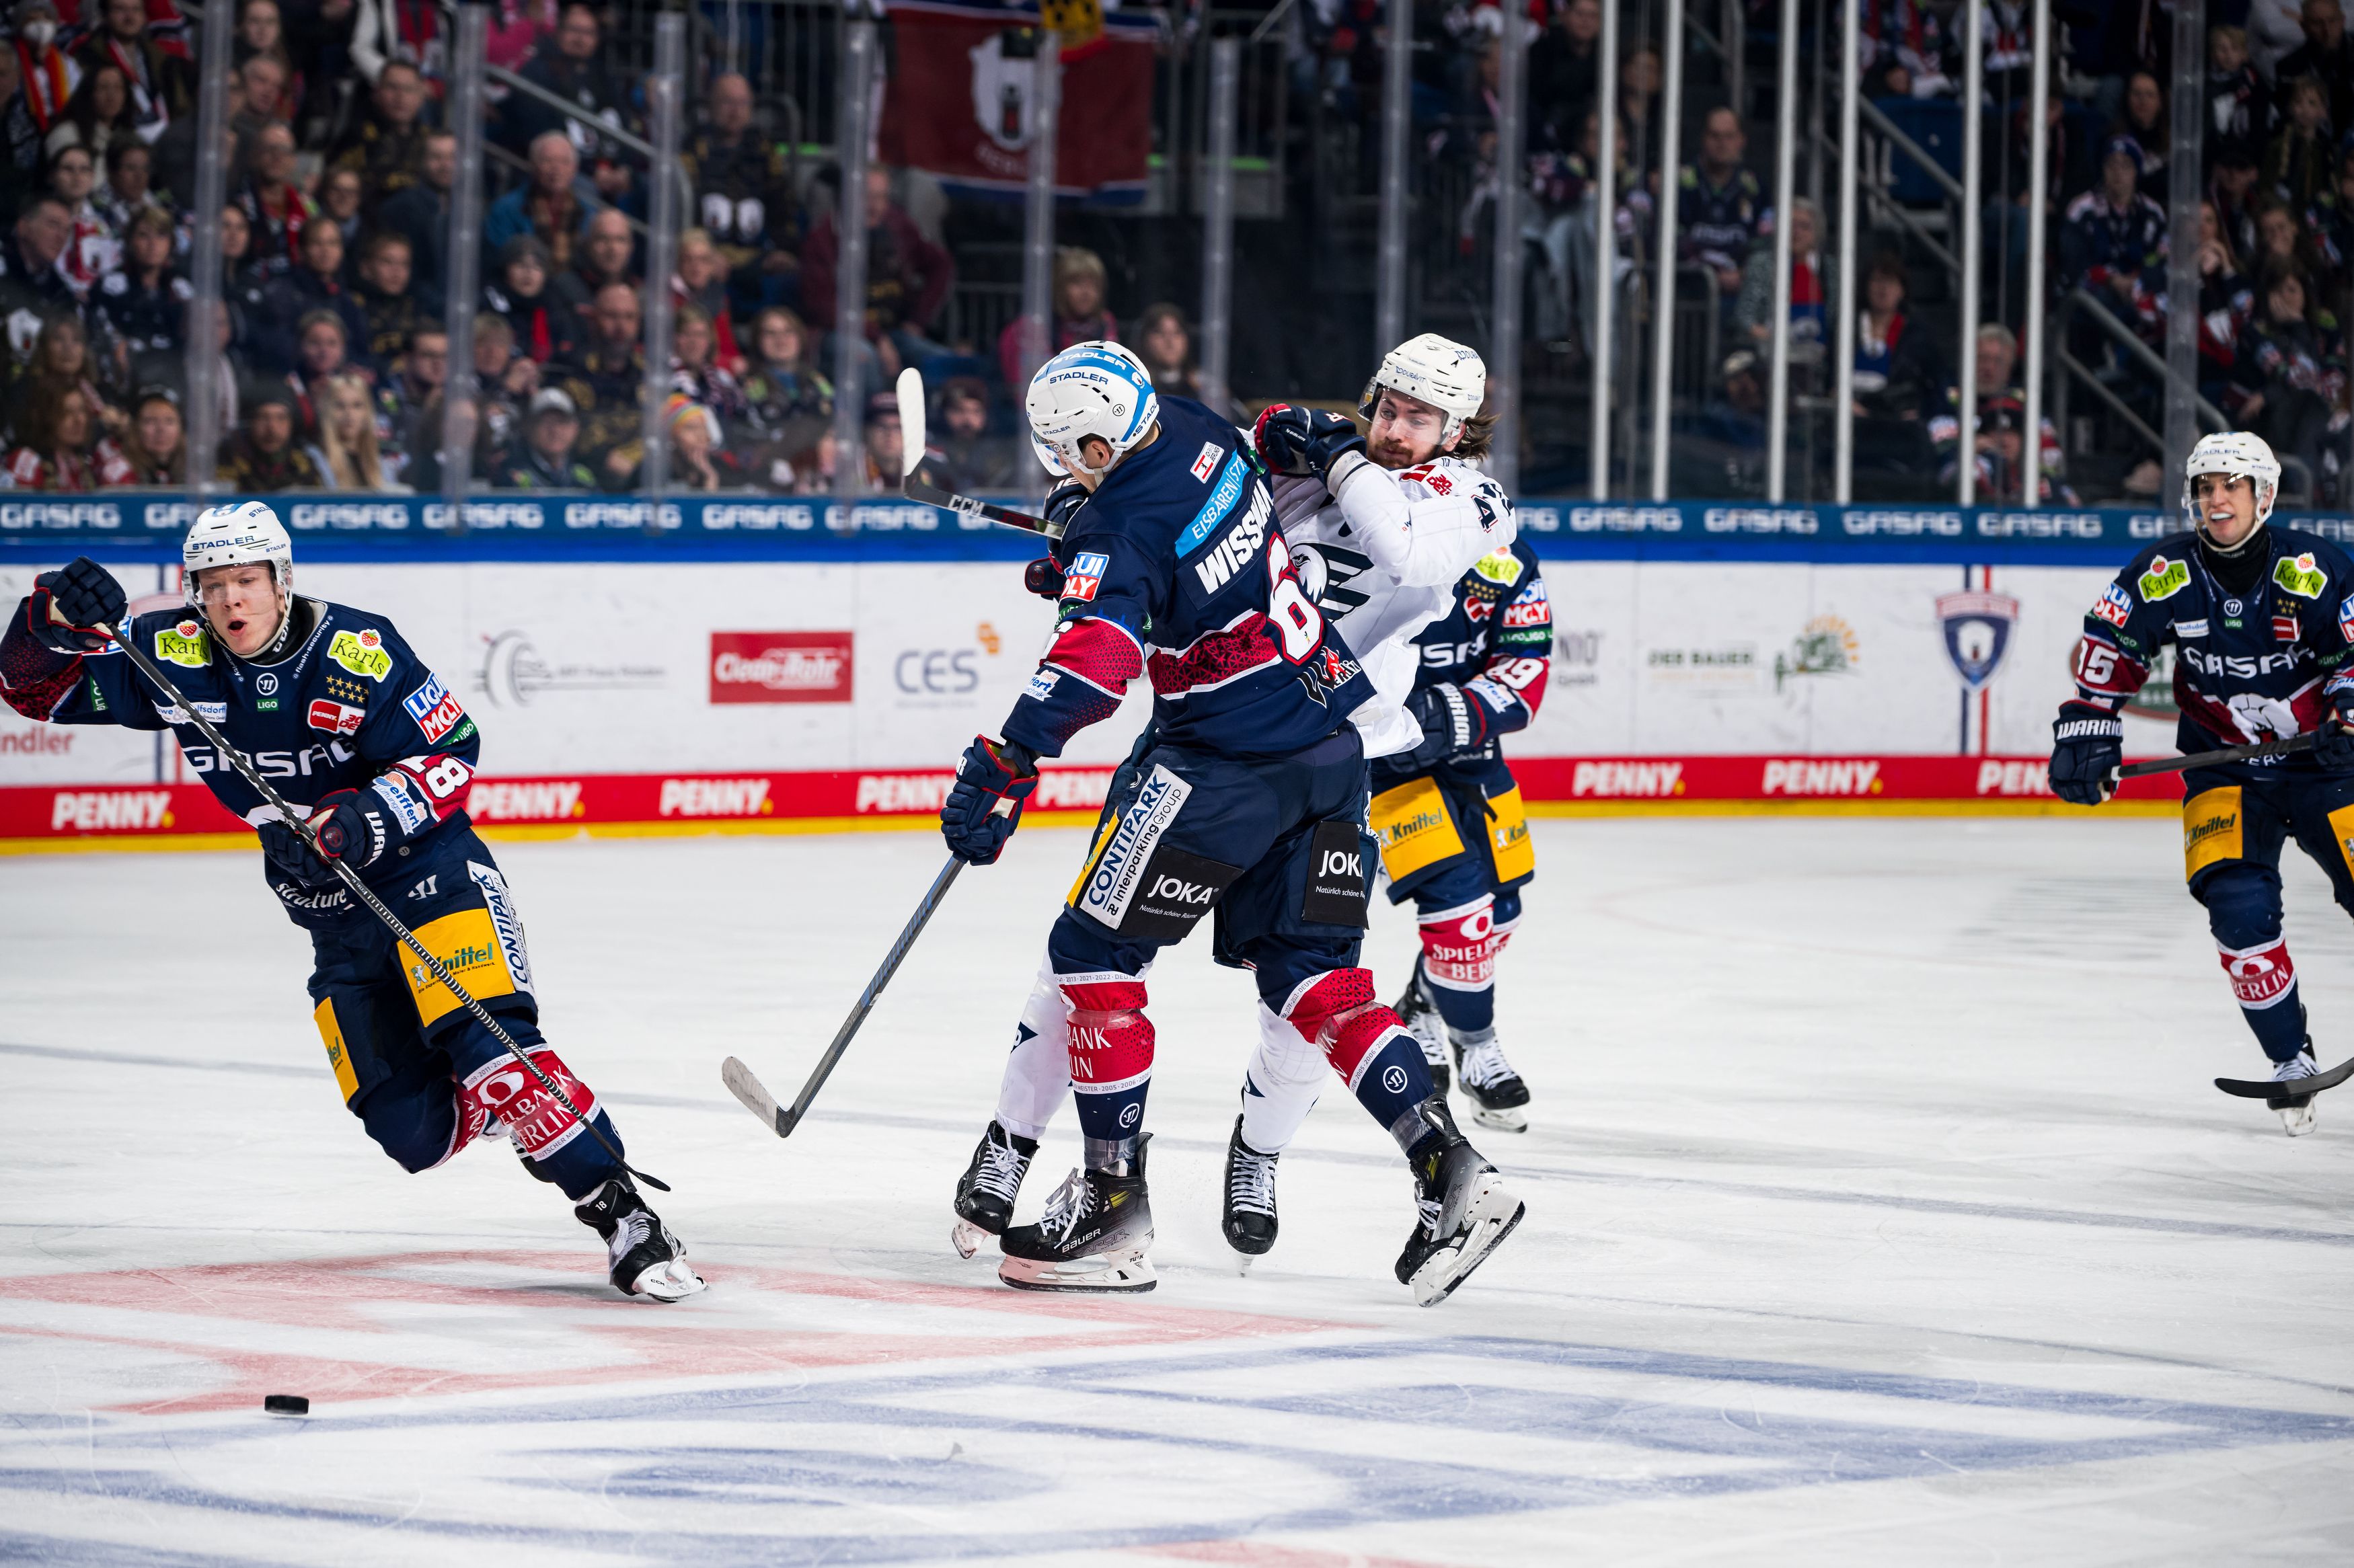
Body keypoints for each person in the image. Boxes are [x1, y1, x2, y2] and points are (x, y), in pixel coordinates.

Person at [939, 340, 1525, 1302]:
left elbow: (1092, 666)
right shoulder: (1201, 428)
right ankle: (1452, 1170)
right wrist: (1095, 555)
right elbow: (1199, 542)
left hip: (1220, 764)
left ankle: (1112, 1207)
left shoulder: (1132, 523)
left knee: (1089, 958)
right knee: (1321, 984)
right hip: (1333, 745)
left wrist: (1008, 759)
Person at [0, 508, 704, 1296]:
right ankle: (495, 1095)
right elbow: (29, 691)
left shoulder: (355, 650)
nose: (232, 601)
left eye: (247, 581)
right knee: (412, 1134)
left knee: (491, 1048)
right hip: (331, 919)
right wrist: (52, 618)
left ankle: (622, 1214)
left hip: (428, 877)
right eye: (214, 585)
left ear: (281, 579)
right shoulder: (170, 657)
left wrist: (361, 822)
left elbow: (452, 751)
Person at [1213, 335, 1533, 1257]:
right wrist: (1097, 506)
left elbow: (1402, 545)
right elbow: (1190, 502)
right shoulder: (1311, 473)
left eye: (1419, 419)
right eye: (1385, 408)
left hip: (1331, 766)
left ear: (1458, 430)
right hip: (1217, 751)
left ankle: (1257, 1150)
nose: (1394, 431)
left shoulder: (1473, 498)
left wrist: (1331, 450)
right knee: (1101, 956)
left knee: (1302, 992)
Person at [2049, 434, 2354, 1136]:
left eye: (2230, 487)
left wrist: (2347, 712)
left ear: (2262, 497)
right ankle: (2289, 1059)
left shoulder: (2312, 568)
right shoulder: (2164, 572)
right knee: (2236, 910)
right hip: (2224, 764)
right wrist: (2087, 726)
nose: (2215, 499)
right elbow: (2109, 643)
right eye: (2204, 487)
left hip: (2324, 765)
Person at [799, 164, 953, 387]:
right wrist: (877, 337)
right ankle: (876, 422)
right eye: (867, 198)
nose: (876, 207)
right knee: (865, 359)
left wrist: (917, 320)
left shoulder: (898, 226)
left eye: (882, 198)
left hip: (894, 333)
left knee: (942, 362)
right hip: (837, 334)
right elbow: (824, 309)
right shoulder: (821, 240)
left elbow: (941, 264)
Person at [681, 71, 796, 312]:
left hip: (755, 255)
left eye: (743, 103)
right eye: (727, 102)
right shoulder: (692, 146)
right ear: (711, 106)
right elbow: (682, 208)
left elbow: (782, 203)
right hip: (708, 254)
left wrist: (784, 250)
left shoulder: (763, 149)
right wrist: (705, 254)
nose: (735, 111)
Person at [995, 245, 1118, 389]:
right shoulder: (1032, 326)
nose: (1087, 292)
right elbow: (1024, 388)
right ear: (1059, 286)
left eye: (1093, 285)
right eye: (1077, 283)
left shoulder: (1105, 323)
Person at [1677, 106, 1766, 301]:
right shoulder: (1679, 184)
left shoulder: (1755, 188)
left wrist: (1743, 273)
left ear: (1742, 140)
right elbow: (1671, 240)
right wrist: (1709, 273)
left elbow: (1764, 241)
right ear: (1703, 139)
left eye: (1729, 137)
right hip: (1688, 291)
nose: (1722, 144)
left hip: (1741, 291)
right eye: (1715, 136)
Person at [75, 0, 191, 146]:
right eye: (120, 9)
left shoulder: (159, 57)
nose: (130, 17)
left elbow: (179, 105)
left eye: (136, 10)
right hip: (113, 144)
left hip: (164, 144)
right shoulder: (89, 56)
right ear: (105, 15)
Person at [328, 57, 429, 218]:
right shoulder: (357, 137)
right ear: (377, 93)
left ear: (421, 97)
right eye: (392, 87)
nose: (400, 97)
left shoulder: (430, 141)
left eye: (409, 89)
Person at [482, 131, 595, 274]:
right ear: (534, 166)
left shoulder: (588, 212)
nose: (556, 169)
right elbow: (499, 261)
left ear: (574, 170)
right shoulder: (505, 209)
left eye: (564, 162)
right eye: (548, 161)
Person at [3, 383, 129, 488]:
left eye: (82, 411)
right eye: (67, 412)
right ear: (47, 418)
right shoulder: (28, 460)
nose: (79, 420)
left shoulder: (84, 465)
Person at [378, 129, 453, 294]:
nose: (445, 165)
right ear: (422, 161)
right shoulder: (400, 207)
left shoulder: (473, 208)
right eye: (437, 157)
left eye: (452, 158)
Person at [484, 235, 578, 366]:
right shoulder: (489, 304)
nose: (528, 273)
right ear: (506, 269)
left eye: (537, 267)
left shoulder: (558, 306)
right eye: (521, 265)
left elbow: (569, 354)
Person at [216, 384, 324, 489]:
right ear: (251, 422)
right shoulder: (229, 460)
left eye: (281, 418)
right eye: (263, 417)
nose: (272, 428)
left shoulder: (303, 464)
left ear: (292, 423)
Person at [493, 385, 594, 488]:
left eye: (562, 422)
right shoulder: (511, 473)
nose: (555, 430)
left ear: (575, 428)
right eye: (546, 422)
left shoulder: (583, 476)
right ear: (529, 427)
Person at [316, 370, 393, 490]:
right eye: (340, 406)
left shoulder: (381, 465)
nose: (349, 414)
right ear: (328, 411)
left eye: (357, 405)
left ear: (367, 411)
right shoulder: (316, 461)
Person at [117, 382, 182, 483]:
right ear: (136, 428)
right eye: (151, 420)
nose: (161, 429)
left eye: (169, 421)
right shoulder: (121, 474)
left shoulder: (191, 471)